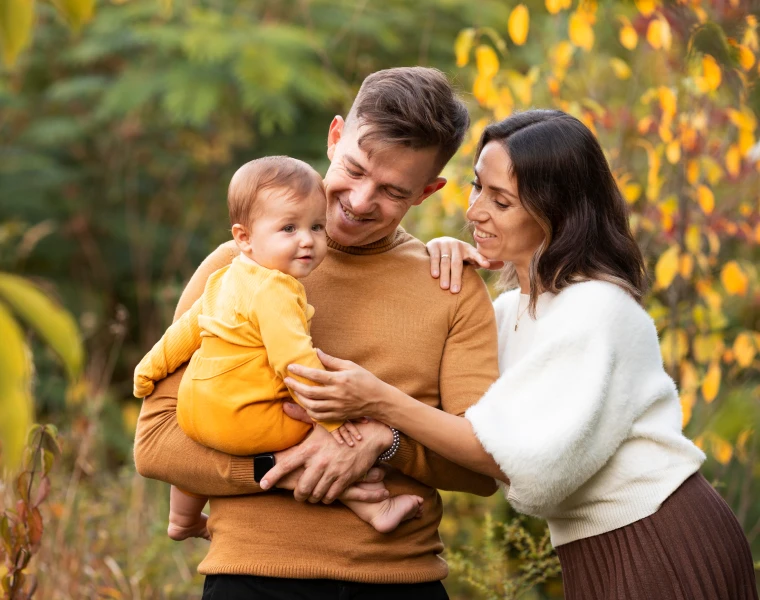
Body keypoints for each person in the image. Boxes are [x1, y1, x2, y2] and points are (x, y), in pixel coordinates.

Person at [280, 110, 759, 599]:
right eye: (477, 188)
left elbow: (511, 461)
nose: (474, 212)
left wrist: (376, 402)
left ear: (556, 213)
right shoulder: (509, 310)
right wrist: (431, 258)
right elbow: (450, 412)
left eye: (502, 201)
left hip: (659, 536)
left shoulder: (597, 309)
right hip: (592, 547)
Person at [133, 67, 500, 600]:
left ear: (428, 191)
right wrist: (284, 463)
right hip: (251, 578)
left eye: (393, 191)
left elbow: (484, 466)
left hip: (400, 581)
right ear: (334, 137)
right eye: (354, 169)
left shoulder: (451, 286)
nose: (359, 200)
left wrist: (384, 440)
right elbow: (156, 445)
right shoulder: (234, 267)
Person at [132, 156, 424, 539]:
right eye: (288, 228)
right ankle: (374, 506)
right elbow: (294, 363)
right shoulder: (277, 289)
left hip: (194, 413)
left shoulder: (225, 276)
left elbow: (184, 334)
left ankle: (182, 520)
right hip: (246, 418)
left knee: (211, 433)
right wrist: (333, 423)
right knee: (327, 446)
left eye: (316, 227)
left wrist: (147, 370)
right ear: (244, 237)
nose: (307, 240)